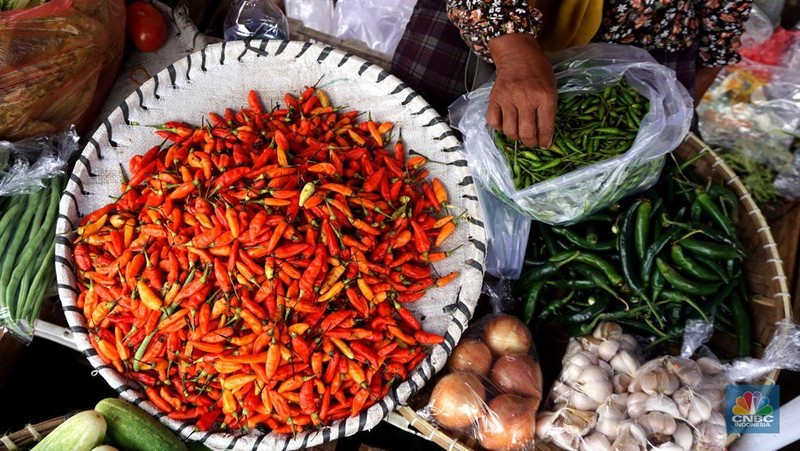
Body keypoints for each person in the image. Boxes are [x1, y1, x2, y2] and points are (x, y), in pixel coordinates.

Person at [391, 0, 754, 148]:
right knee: (415, 141)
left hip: (644, 33)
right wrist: (512, 48)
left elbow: (724, 12)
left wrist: (685, 96)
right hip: (496, 14)